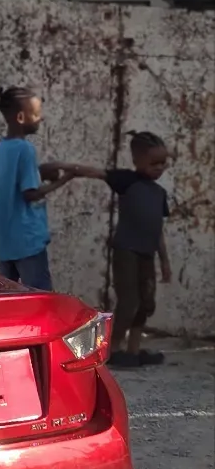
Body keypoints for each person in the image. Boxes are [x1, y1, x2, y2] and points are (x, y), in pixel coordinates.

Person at [66, 131, 172, 368]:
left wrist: (164, 261)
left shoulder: (159, 193)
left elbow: (158, 230)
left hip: (148, 254)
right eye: (154, 162)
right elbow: (97, 173)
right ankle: (113, 349)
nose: (159, 168)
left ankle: (133, 350)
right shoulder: (127, 181)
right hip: (127, 251)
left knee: (146, 302)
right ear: (137, 161)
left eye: (163, 163)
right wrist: (66, 167)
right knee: (129, 301)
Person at [0, 85, 75, 291]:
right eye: (36, 114)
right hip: (27, 240)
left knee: (5, 296)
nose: (40, 119)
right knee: (40, 296)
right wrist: (63, 180)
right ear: (21, 117)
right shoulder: (25, 148)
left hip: (6, 240)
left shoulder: (3, 147)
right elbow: (30, 194)